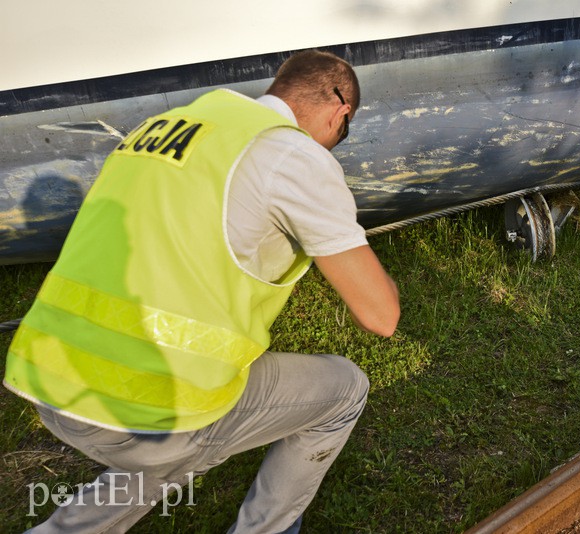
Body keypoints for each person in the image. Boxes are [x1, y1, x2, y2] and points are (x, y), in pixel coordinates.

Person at [4, 49, 400, 533]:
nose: (336, 144)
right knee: (344, 388)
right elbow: (381, 317)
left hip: (50, 377)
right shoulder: (295, 155)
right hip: (148, 402)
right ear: (340, 112)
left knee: (163, 456)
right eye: (345, 132)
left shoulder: (168, 123)